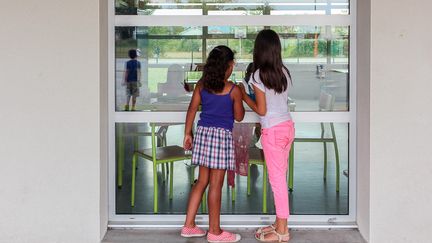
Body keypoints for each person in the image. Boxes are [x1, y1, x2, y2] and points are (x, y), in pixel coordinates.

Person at [180, 45, 244, 243]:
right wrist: (241, 94)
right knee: (216, 184)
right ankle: (215, 232)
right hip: (221, 137)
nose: (233, 67)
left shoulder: (201, 85)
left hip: (203, 134)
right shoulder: (232, 89)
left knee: (202, 181)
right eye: (232, 64)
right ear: (228, 66)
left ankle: (189, 226)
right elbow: (239, 117)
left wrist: (187, 133)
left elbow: (192, 109)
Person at [239, 29, 294, 243]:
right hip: (288, 127)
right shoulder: (284, 72)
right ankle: (279, 224)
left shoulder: (257, 75)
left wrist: (244, 95)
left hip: (273, 130)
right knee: (281, 177)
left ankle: (282, 232)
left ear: (258, 50)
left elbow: (261, 110)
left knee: (277, 181)